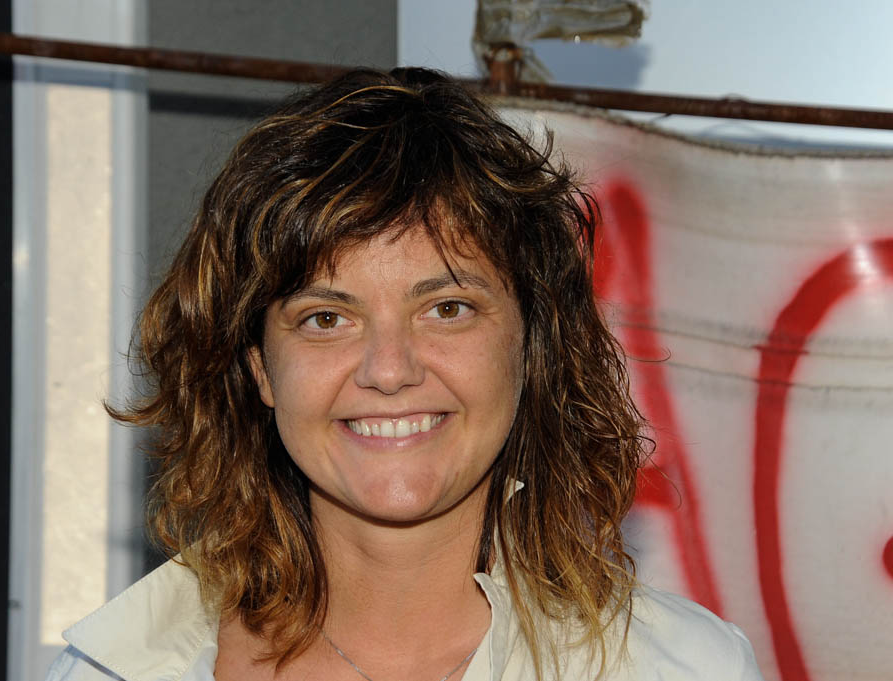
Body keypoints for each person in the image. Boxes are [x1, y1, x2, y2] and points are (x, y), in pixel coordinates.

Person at [46, 67, 763, 681]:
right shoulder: (113, 670)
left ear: (530, 346)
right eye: (327, 317)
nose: (389, 370)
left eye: (447, 308)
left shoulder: (683, 668)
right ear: (260, 367)